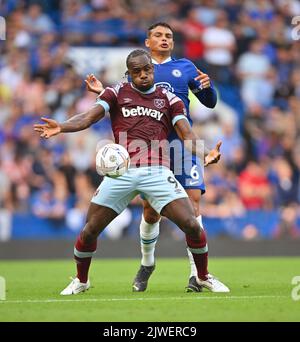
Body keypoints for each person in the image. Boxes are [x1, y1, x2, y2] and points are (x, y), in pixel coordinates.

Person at [34, 49, 222, 295]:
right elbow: (89, 118)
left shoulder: (169, 99)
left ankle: (203, 276)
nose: (143, 75)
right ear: (129, 73)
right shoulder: (115, 92)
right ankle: (81, 280)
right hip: (120, 172)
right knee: (90, 229)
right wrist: (62, 126)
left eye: (147, 70)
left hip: (157, 171)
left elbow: (187, 135)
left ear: (152, 69)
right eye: (137, 72)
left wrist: (204, 152)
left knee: (192, 225)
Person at [85, 22, 229, 293]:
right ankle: (147, 263)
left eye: (169, 36)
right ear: (147, 41)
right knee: (151, 212)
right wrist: (102, 90)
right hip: (151, 150)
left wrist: (208, 88)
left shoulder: (186, 66)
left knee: (193, 204)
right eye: (158, 36)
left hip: (185, 144)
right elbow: (123, 97)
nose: (164, 39)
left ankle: (197, 276)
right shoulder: (139, 66)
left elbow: (209, 102)